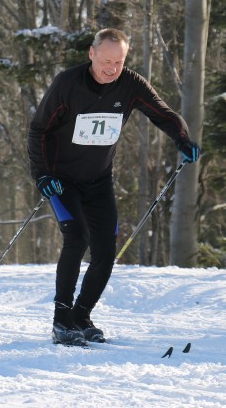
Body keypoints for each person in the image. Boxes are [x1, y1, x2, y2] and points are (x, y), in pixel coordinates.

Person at [27, 28, 200, 346]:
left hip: (99, 180)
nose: (112, 68)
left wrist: (183, 139)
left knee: (106, 251)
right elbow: (39, 129)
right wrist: (42, 174)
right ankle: (61, 319)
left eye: (118, 62)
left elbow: (162, 113)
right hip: (61, 179)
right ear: (91, 54)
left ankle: (82, 315)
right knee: (77, 237)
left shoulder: (131, 84)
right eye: (106, 61)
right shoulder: (68, 83)